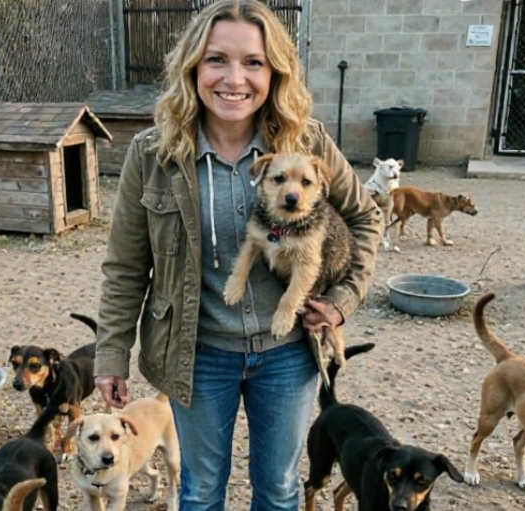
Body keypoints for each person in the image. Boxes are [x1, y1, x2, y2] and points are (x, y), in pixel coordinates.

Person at [93, 1, 382, 509]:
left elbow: (366, 218)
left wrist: (341, 301)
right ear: (192, 67)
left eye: (253, 62)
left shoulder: (307, 142)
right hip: (198, 352)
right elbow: (125, 266)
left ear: (274, 73)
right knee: (201, 490)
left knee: (279, 489)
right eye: (216, 60)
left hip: (288, 353)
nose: (234, 79)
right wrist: (111, 355)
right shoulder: (152, 154)